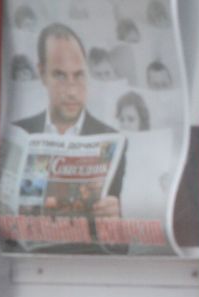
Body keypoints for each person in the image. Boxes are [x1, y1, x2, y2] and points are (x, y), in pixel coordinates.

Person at [13, 24, 124, 218]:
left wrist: (115, 220)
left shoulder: (112, 141)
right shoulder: (18, 134)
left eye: (79, 75)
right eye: (60, 75)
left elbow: (120, 247)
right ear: (42, 74)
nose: (72, 91)